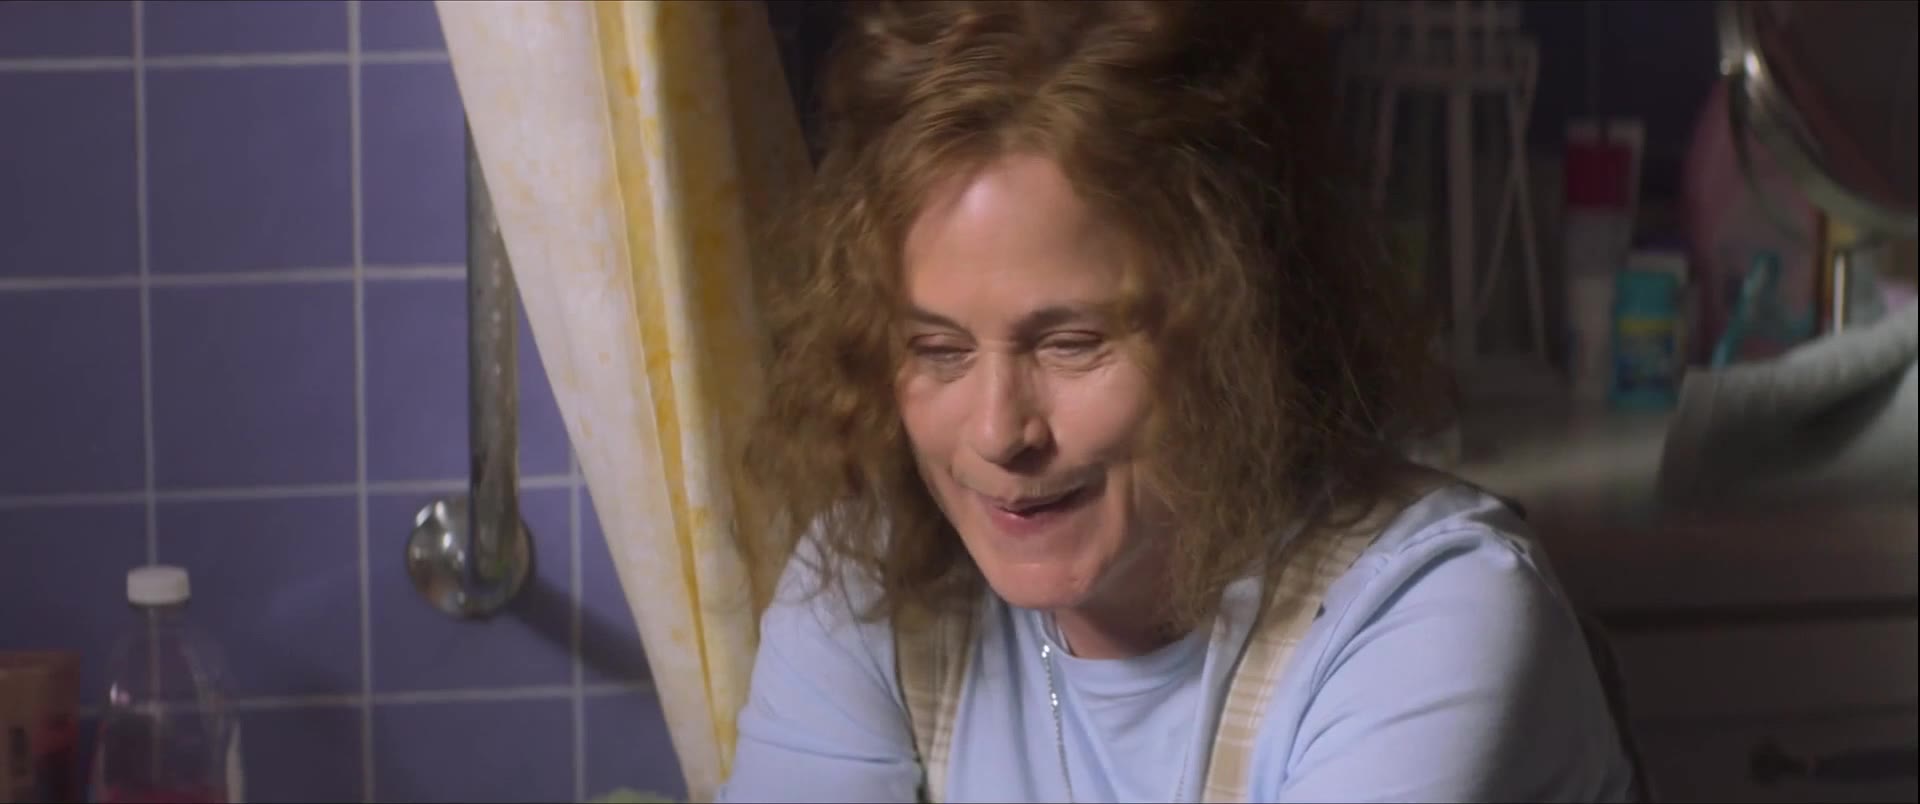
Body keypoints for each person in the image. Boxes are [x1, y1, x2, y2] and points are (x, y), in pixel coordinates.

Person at [721, 1, 1638, 801]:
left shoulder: (1432, 612)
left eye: (1071, 343)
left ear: (1238, 327)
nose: (999, 432)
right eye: (938, 349)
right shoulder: (865, 588)